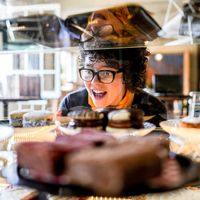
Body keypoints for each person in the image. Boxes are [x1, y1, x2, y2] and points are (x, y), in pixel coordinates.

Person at [58, 47, 167, 126]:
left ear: (128, 75)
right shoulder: (71, 104)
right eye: (88, 71)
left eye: (105, 73)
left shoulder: (152, 108)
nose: (94, 82)